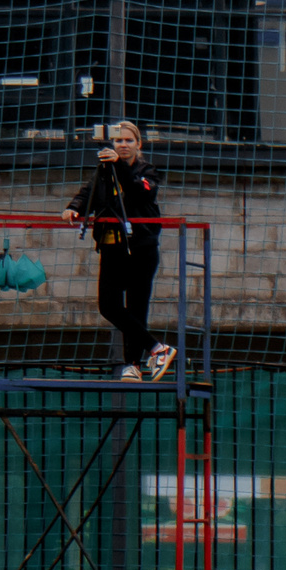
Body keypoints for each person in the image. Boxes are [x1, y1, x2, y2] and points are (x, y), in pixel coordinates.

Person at [60, 119, 174, 381]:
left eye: (128, 140)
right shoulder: (104, 170)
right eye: (118, 140)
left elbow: (140, 192)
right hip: (112, 247)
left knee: (137, 306)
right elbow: (88, 193)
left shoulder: (148, 171)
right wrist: (74, 207)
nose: (123, 145)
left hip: (141, 248)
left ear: (138, 144)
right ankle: (158, 348)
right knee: (108, 305)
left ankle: (133, 364)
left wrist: (118, 166)